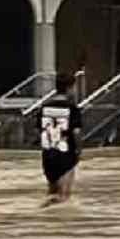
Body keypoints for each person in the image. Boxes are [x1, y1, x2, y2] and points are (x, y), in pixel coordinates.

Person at [39, 73, 83, 206]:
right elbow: (76, 132)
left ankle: (43, 214)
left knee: (52, 193)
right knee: (64, 197)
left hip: (48, 155)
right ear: (69, 88)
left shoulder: (45, 106)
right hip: (66, 154)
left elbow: (39, 130)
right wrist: (79, 150)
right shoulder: (72, 108)